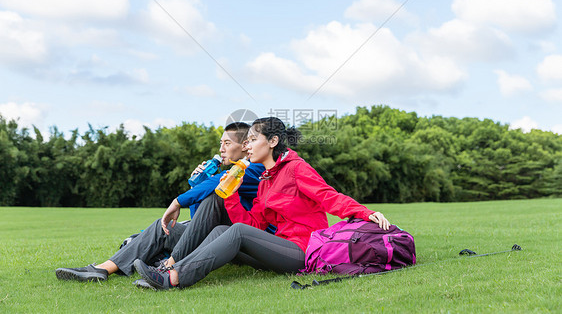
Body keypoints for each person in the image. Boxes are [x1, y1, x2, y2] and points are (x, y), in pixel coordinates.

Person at [133, 117, 390, 290]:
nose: (248, 147)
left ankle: (173, 277)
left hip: (301, 251)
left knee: (236, 232)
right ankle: (171, 269)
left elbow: (328, 196)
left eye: (253, 140)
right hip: (277, 248)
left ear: (273, 142)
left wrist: (366, 213)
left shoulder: (296, 169)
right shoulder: (265, 180)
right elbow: (252, 223)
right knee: (223, 230)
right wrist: (230, 195)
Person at [55, 122, 267, 282]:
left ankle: (168, 266)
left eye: (227, 143)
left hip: (236, 241)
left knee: (212, 197)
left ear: (245, 146)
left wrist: (178, 201)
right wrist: (196, 186)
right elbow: (200, 220)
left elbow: (215, 193)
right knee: (163, 227)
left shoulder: (254, 169)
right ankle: (102, 269)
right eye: (220, 143)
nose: (221, 149)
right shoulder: (227, 173)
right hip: (212, 236)